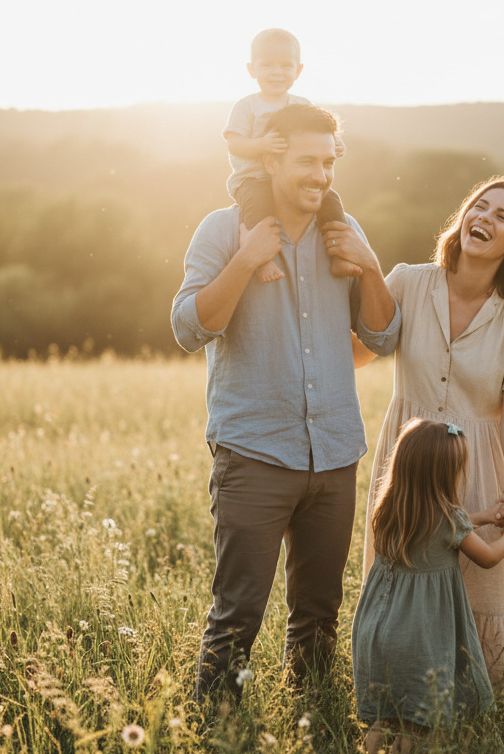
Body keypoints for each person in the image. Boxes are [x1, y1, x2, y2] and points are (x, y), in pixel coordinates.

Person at [171, 103, 400, 701]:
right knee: (237, 617)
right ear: (271, 158)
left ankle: (313, 723)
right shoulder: (222, 231)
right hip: (253, 455)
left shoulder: (344, 236)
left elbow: (382, 337)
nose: (320, 175)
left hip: (334, 457)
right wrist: (247, 260)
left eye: (328, 162)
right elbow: (189, 328)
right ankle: (219, 732)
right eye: (306, 161)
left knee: (319, 616)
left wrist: (372, 269)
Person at [357, 177, 504, 695]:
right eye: (478, 207)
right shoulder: (406, 281)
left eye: (501, 216)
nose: (483, 217)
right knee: (409, 569)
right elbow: (359, 351)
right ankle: (399, 684)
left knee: (487, 580)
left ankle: (486, 687)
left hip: (481, 460)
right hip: (409, 460)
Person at [353, 418, 504, 753]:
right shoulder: (449, 519)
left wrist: (482, 516)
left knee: (386, 718)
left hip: (375, 630)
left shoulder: (388, 509)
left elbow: (440, 528)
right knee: (417, 723)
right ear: (447, 474)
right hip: (418, 637)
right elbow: (487, 556)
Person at [222, 28, 360, 283]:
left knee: (331, 201)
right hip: (253, 178)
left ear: (298, 71)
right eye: (267, 65)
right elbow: (235, 144)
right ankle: (261, 260)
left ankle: (340, 255)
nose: (277, 72)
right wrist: (262, 144)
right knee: (259, 206)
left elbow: (319, 130)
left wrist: (335, 142)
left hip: (292, 180)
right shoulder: (246, 106)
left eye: (286, 65)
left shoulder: (302, 103)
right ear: (252, 70)